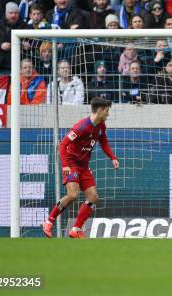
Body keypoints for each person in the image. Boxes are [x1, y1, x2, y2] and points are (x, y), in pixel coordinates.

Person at [42, 97, 120, 238]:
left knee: (93, 197)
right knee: (73, 195)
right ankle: (49, 221)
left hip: (83, 166)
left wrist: (113, 157)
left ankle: (76, 229)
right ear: (100, 110)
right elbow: (63, 144)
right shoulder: (81, 127)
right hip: (72, 163)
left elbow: (103, 142)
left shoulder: (101, 126)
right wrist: (65, 165)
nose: (108, 114)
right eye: (107, 111)